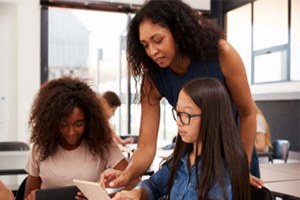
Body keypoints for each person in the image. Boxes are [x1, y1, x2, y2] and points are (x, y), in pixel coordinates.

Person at [100, 0, 263, 189]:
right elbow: (145, 147)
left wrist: (240, 168)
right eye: (145, 45)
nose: (152, 51)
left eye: (158, 40)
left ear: (177, 33)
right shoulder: (152, 79)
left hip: (236, 155)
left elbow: (248, 114)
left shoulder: (222, 54)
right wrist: (126, 175)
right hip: (195, 163)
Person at [106, 78, 251, 200]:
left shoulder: (224, 171)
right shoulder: (180, 159)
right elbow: (153, 185)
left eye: (186, 115)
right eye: (178, 113)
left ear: (210, 118)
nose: (179, 121)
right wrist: (136, 193)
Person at [24, 76, 139, 200]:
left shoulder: (102, 143)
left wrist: (103, 198)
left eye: (79, 124)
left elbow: (135, 183)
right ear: (52, 122)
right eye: (63, 124)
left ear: (89, 120)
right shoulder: (41, 145)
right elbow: (28, 195)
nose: (71, 132)